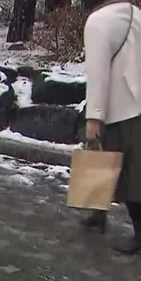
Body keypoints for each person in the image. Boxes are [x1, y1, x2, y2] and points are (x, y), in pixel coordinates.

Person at [83, 0, 141, 254]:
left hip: (117, 108)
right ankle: (98, 214)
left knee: (121, 170)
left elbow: (97, 74)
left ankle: (139, 233)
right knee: (112, 162)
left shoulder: (97, 22)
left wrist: (93, 117)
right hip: (136, 102)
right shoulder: (136, 14)